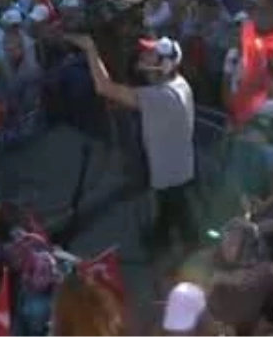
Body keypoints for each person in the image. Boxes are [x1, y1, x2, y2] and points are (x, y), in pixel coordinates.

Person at [65, 33, 199, 253]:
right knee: (169, 208)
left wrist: (91, 50)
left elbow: (104, 88)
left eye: (150, 55)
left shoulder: (162, 96)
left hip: (171, 171)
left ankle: (192, 256)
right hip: (177, 164)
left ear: (163, 65)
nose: (143, 57)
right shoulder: (177, 83)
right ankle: (161, 239)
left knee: (181, 216)